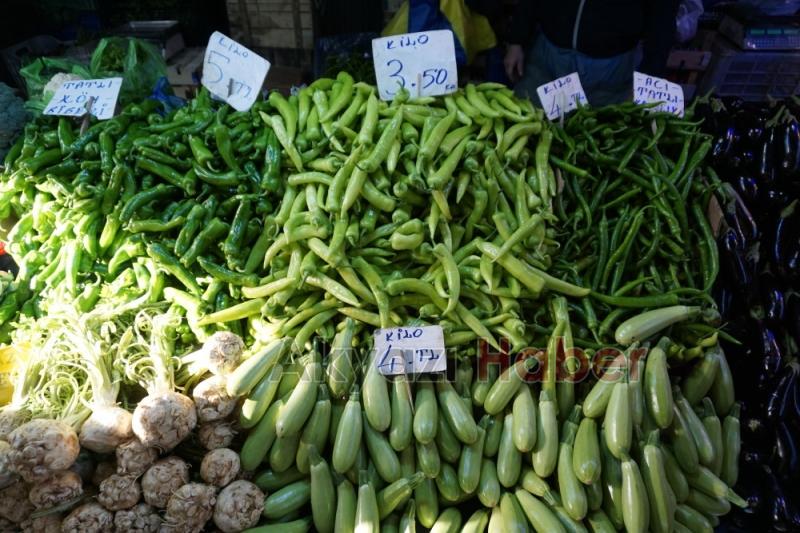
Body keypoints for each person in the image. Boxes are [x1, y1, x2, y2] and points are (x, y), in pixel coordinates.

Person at [504, 1, 680, 106]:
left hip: (608, 73)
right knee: (529, 127)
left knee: (593, 143)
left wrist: (648, 77)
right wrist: (516, 39)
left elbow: (662, 23)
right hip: (549, 59)